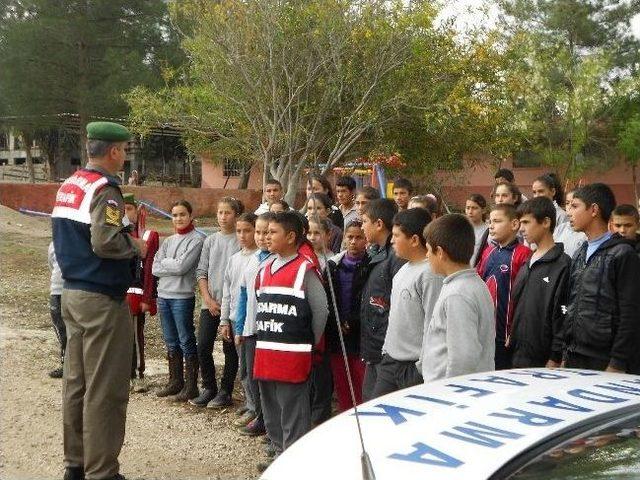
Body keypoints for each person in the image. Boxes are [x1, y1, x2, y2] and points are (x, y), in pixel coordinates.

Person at [52, 121, 147, 480]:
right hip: (100, 298)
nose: (125, 156)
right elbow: (105, 241)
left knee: (76, 383)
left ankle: (76, 465)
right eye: (124, 150)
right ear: (114, 151)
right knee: (105, 389)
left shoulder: (71, 184)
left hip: (72, 294)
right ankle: (102, 471)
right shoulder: (106, 190)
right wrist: (135, 246)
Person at [254, 212, 328, 472]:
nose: (266, 237)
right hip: (265, 353)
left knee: (293, 413)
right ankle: (278, 456)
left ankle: (293, 464)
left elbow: (321, 312)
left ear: (291, 236)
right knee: (271, 409)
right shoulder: (263, 269)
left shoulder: (305, 269)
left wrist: (309, 345)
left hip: (293, 357)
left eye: (272, 232)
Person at [563, 183, 640, 374]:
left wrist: (617, 363)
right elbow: (571, 304)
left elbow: (630, 313)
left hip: (605, 361)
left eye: (575, 206)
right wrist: (565, 354)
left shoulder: (622, 254)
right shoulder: (579, 253)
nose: (568, 213)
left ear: (594, 209)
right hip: (575, 356)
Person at [372, 208, 443, 398]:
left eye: (396, 235)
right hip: (390, 361)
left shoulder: (430, 274)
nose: (392, 240)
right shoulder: (403, 269)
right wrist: (387, 349)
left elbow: (433, 324)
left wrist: (422, 366)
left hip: (414, 368)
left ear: (414, 240)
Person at [421, 214, 495, 381]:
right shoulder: (471, 284)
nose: (427, 255)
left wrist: (451, 395)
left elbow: (463, 358)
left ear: (439, 252)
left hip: (451, 396)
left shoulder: (457, 294)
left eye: (428, 249)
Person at [191, 197, 242, 408]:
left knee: (230, 349)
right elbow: (201, 272)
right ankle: (209, 386)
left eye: (227, 212)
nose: (223, 217)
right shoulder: (210, 241)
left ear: (236, 215)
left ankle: (225, 390)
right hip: (211, 304)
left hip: (233, 305)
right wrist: (208, 299)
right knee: (203, 345)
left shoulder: (241, 240)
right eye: (220, 212)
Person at [510, 197, 571, 368]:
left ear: (545, 222)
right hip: (517, 354)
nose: (521, 229)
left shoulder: (562, 265)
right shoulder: (527, 262)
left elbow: (563, 313)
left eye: (526, 222)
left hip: (544, 360)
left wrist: (555, 356)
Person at [153, 200, 204, 402]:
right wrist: (170, 264)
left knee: (185, 340)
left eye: (182, 214)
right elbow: (154, 268)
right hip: (163, 296)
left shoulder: (197, 239)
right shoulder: (169, 240)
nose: (178, 218)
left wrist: (167, 263)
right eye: (174, 215)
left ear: (190, 216)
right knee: (171, 341)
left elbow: (183, 267)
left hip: (182, 297)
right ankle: (175, 381)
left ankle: (191, 386)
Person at [359, 199, 406, 401]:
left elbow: (396, 306)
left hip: (386, 350)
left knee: (380, 403)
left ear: (378, 224)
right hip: (373, 346)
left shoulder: (396, 258)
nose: (362, 227)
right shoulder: (375, 253)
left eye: (364, 221)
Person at [234, 212, 275, 437]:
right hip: (250, 329)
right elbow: (243, 295)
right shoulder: (252, 259)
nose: (262, 237)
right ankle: (259, 416)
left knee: (267, 379)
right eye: (258, 232)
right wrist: (239, 328)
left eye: (267, 232)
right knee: (252, 375)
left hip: (267, 331)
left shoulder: (275, 261)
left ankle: (269, 421)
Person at [476, 204, 532, 370]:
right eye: (490, 221)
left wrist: (514, 331)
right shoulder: (488, 252)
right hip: (485, 333)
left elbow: (525, 298)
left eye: (497, 221)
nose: (491, 226)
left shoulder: (523, 254)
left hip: (507, 337)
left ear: (515, 224)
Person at [217, 212, 258, 426]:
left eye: (247, 231)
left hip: (252, 322)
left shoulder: (259, 258)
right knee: (243, 366)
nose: (242, 235)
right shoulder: (234, 259)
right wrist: (225, 320)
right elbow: (227, 291)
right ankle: (250, 402)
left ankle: (255, 407)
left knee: (252, 368)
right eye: (239, 231)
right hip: (235, 319)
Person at [324, 220, 368, 412]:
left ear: (366, 240)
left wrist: (353, 321)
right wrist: (337, 322)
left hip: (360, 335)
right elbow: (327, 299)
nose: (353, 242)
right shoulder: (333, 266)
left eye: (359, 237)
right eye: (350, 237)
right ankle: (346, 413)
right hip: (337, 332)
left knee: (360, 380)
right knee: (342, 379)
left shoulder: (371, 265)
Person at [123, 194, 159, 393]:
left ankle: (137, 373)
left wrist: (147, 298)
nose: (126, 213)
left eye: (129, 209)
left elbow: (149, 269)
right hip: (116, 292)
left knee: (135, 335)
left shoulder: (148, 236)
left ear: (137, 210)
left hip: (136, 293)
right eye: (123, 209)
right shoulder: (116, 232)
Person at [47, 241, 65, 378]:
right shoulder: (54, 244)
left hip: (70, 290)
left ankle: (71, 365)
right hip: (57, 290)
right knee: (60, 328)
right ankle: (65, 363)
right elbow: (51, 264)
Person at [553, 188, 587, 258]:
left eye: (574, 205)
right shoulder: (561, 228)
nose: (569, 208)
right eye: (567, 203)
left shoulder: (585, 233)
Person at [465, 193, 488, 266]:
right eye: (468, 208)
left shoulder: (488, 230)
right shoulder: (461, 228)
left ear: (483, 210)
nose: (470, 212)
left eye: (474, 208)